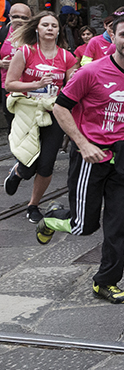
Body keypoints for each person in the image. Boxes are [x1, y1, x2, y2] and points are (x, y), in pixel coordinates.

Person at [35, 10, 124, 304]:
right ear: (112, 36)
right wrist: (82, 143)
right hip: (91, 157)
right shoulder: (91, 72)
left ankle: (105, 281)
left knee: (119, 226)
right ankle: (51, 219)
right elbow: (60, 108)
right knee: (84, 226)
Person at [4, 11, 78, 222]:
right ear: (37, 28)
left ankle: (33, 205)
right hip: (28, 111)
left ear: (58, 31)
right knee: (29, 166)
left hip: (53, 112)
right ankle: (18, 172)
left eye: (53, 26)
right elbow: (10, 83)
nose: (49, 29)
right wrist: (36, 85)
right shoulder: (26, 52)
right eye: (45, 25)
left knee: (46, 164)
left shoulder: (66, 56)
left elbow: (73, 84)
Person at [0, 2, 32, 128]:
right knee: (12, 122)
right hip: (7, 84)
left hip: (30, 85)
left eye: (24, 18)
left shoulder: (35, 35)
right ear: (9, 16)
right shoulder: (3, 33)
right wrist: (1, 63)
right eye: (16, 17)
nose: (20, 21)